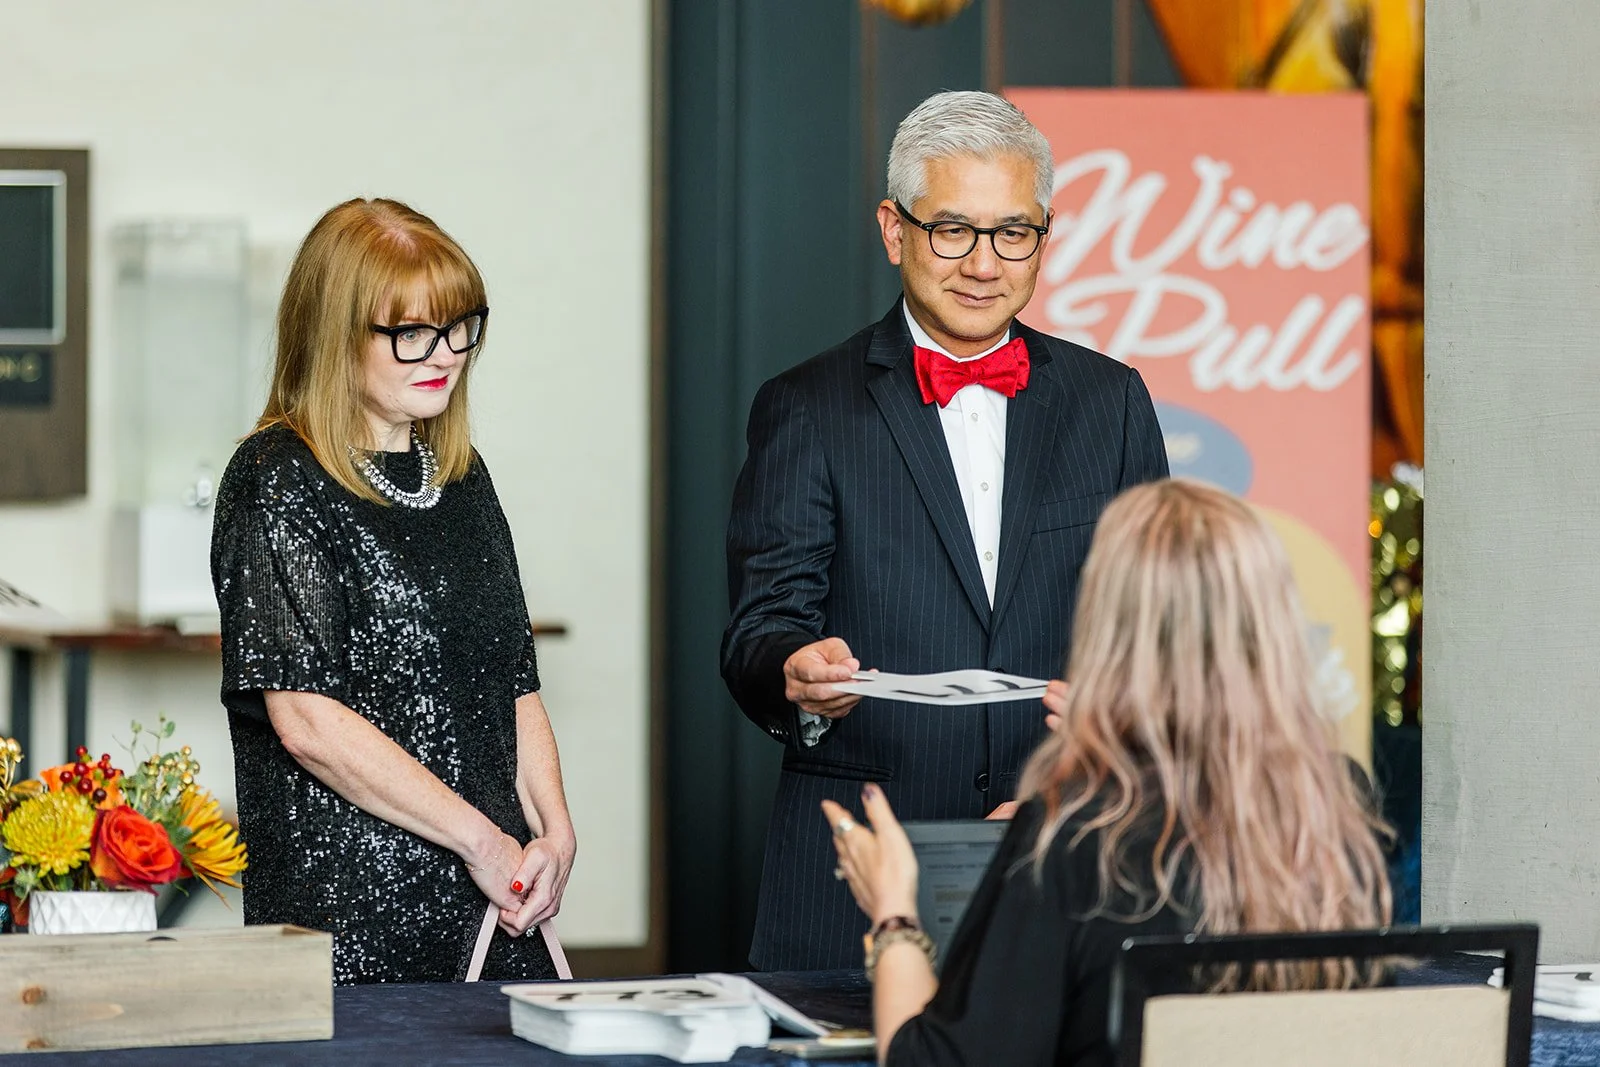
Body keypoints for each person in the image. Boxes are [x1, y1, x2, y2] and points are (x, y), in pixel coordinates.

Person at [722, 90, 1168, 970]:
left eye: (1013, 232)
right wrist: (794, 670)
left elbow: (1162, 631)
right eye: (951, 230)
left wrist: (1084, 768)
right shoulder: (806, 405)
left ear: (1045, 235)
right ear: (895, 230)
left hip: (1068, 854)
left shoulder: (1111, 403)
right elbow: (759, 627)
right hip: (859, 867)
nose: (983, 262)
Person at [822, 479, 1394, 1066]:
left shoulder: (1076, 835)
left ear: (1108, 626)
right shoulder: (1334, 800)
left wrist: (894, 911)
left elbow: (936, 1062)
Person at [211, 198, 576, 984]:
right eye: (410, 332)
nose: (443, 353)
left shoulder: (463, 478)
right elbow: (306, 717)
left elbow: (513, 678)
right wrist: (482, 841)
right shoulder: (275, 477)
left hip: (494, 902)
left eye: (458, 326)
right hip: (350, 920)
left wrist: (554, 831)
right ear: (335, 336)